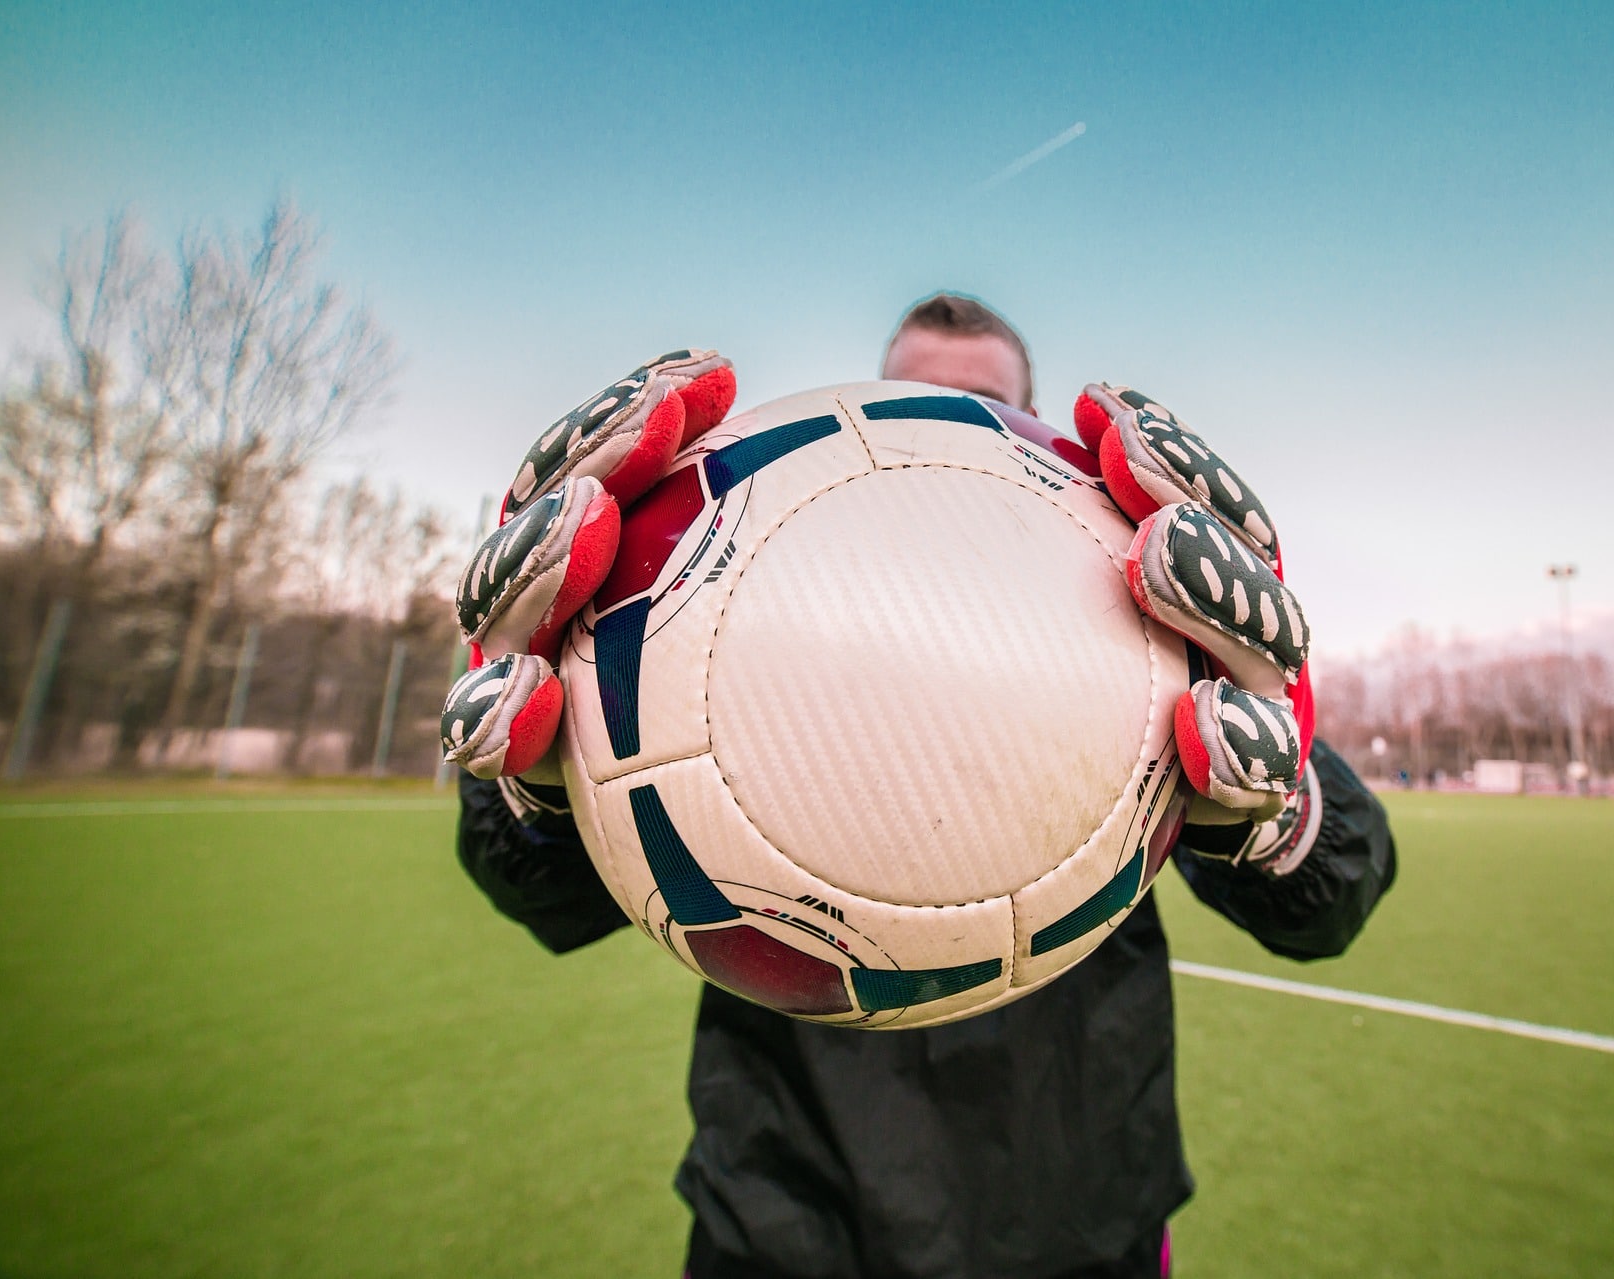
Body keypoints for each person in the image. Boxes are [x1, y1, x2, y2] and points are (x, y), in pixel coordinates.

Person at [443, 294, 1398, 1279]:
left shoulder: (1140, 617)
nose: (936, 424)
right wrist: (541, 777)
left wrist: (1278, 807)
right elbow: (539, 893)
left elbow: (1330, 902)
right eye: (914, 394)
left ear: (1022, 428)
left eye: (974, 402)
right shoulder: (726, 611)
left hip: (1076, 1228)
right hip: (780, 1226)